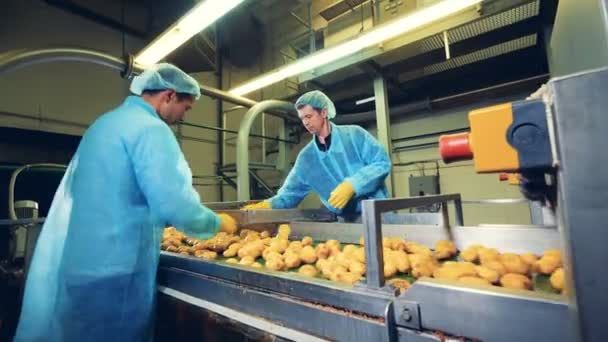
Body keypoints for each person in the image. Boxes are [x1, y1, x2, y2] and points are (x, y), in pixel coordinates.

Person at [14, 63, 236, 342]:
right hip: (116, 273)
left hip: (79, 265)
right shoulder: (151, 130)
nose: (183, 116)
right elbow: (175, 204)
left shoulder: (104, 124)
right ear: (168, 95)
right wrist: (216, 224)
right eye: (186, 107)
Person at [243, 90, 391, 222]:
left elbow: (381, 163)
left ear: (324, 113)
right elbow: (289, 195)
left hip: (377, 216)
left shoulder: (354, 135)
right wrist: (265, 206)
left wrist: (353, 185)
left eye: (309, 116)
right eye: (302, 118)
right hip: (346, 222)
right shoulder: (306, 158)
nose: (305, 122)